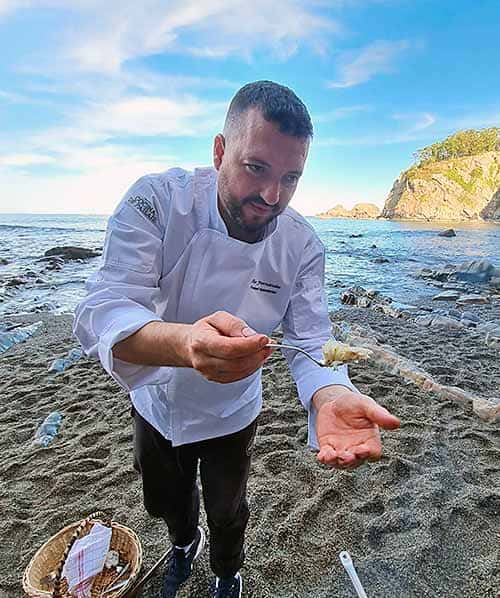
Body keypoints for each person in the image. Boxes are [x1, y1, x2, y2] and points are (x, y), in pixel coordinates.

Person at [74, 80, 400, 598]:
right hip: (155, 399)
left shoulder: (302, 246)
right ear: (220, 151)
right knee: (164, 498)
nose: (272, 197)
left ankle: (228, 572)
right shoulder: (158, 201)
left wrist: (331, 392)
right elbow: (104, 309)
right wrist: (184, 345)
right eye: (257, 169)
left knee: (228, 506)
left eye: (291, 178)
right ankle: (183, 544)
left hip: (232, 411)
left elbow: (312, 339)